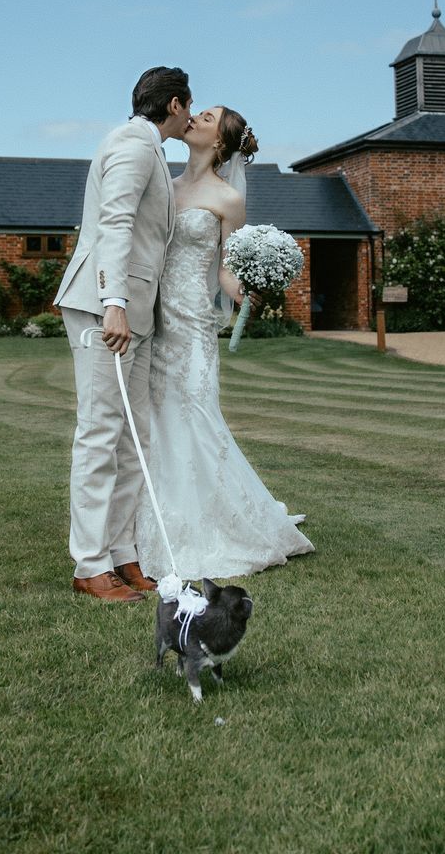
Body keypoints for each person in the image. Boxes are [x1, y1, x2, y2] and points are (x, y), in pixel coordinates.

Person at [137, 105, 313, 579]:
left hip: (193, 321)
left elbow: (224, 267)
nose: (193, 117)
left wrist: (247, 288)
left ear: (220, 141)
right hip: (151, 317)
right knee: (155, 417)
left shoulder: (228, 199)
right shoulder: (163, 185)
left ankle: (213, 525)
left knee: (194, 411)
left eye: (207, 116)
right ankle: (150, 515)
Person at [53, 67, 192, 603]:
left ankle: (122, 555)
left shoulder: (151, 148)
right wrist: (113, 303)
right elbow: (114, 224)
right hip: (104, 310)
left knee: (135, 440)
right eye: (189, 107)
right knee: (100, 434)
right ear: (175, 104)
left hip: (137, 312)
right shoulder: (133, 146)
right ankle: (89, 566)